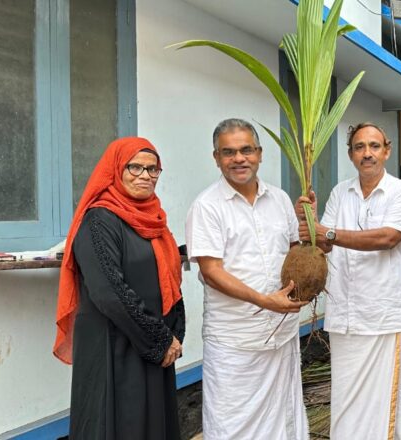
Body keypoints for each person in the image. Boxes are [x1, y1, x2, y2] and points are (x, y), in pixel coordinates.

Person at [53, 137, 186, 439]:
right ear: (116, 169)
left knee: (152, 424)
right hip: (114, 344)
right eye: (135, 167)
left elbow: (171, 279)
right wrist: (160, 338)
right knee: (118, 423)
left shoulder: (155, 220)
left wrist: (175, 332)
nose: (145, 175)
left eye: (153, 169)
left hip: (153, 345)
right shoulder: (99, 221)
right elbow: (109, 292)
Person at [186, 118, 309, 439]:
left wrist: (311, 228)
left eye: (246, 150)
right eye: (228, 152)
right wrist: (265, 301)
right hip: (234, 341)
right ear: (216, 158)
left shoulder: (280, 199)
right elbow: (211, 272)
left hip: (281, 337)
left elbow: (296, 252)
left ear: (259, 153)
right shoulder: (207, 207)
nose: (239, 159)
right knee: (232, 425)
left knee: (282, 420)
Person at [296, 122, 401, 439]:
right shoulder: (341, 192)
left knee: (388, 409)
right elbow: (324, 244)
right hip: (345, 319)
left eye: (374, 146)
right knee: (347, 404)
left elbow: (387, 238)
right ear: (350, 154)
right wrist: (309, 222)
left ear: (387, 150)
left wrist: (330, 233)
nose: (367, 153)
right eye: (359, 147)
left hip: (384, 319)